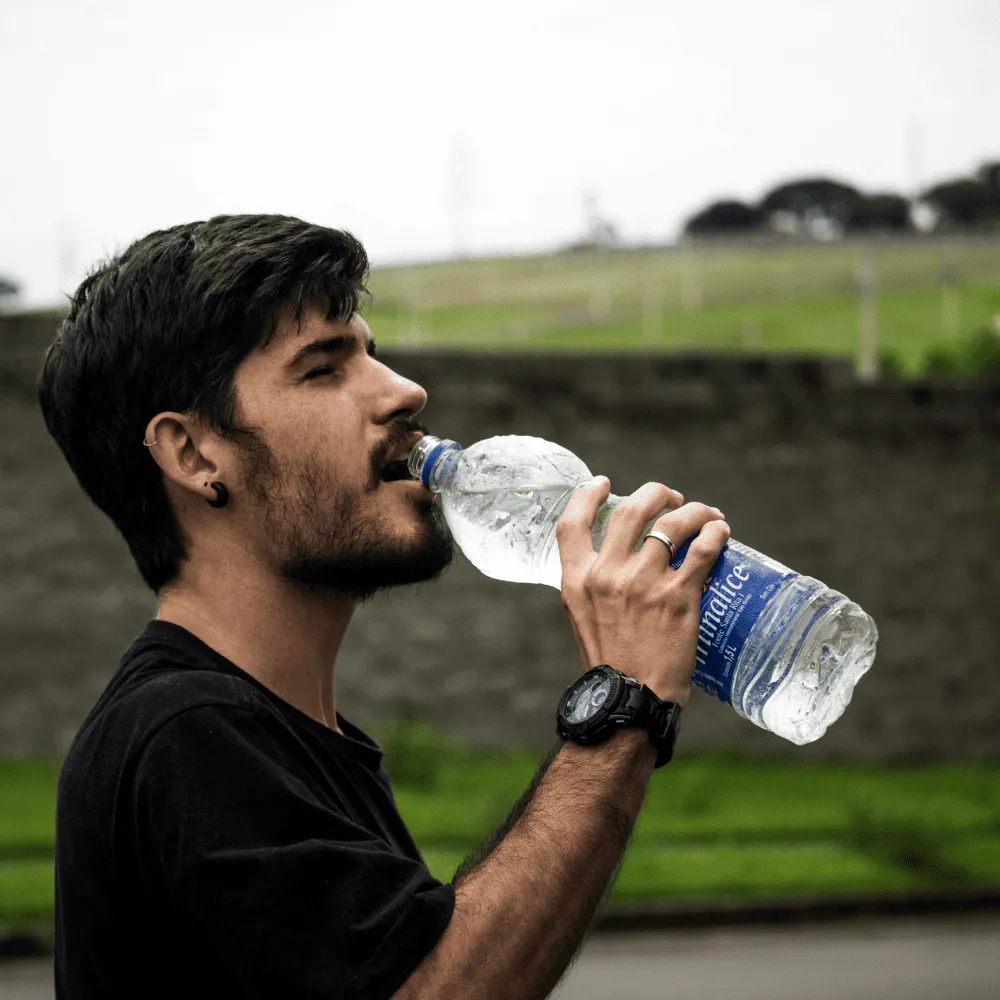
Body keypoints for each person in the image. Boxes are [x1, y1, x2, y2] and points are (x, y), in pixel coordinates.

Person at [38, 214, 729, 999]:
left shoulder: (287, 737)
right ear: (196, 454)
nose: (404, 390)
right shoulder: (187, 734)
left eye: (371, 351)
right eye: (324, 368)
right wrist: (624, 703)